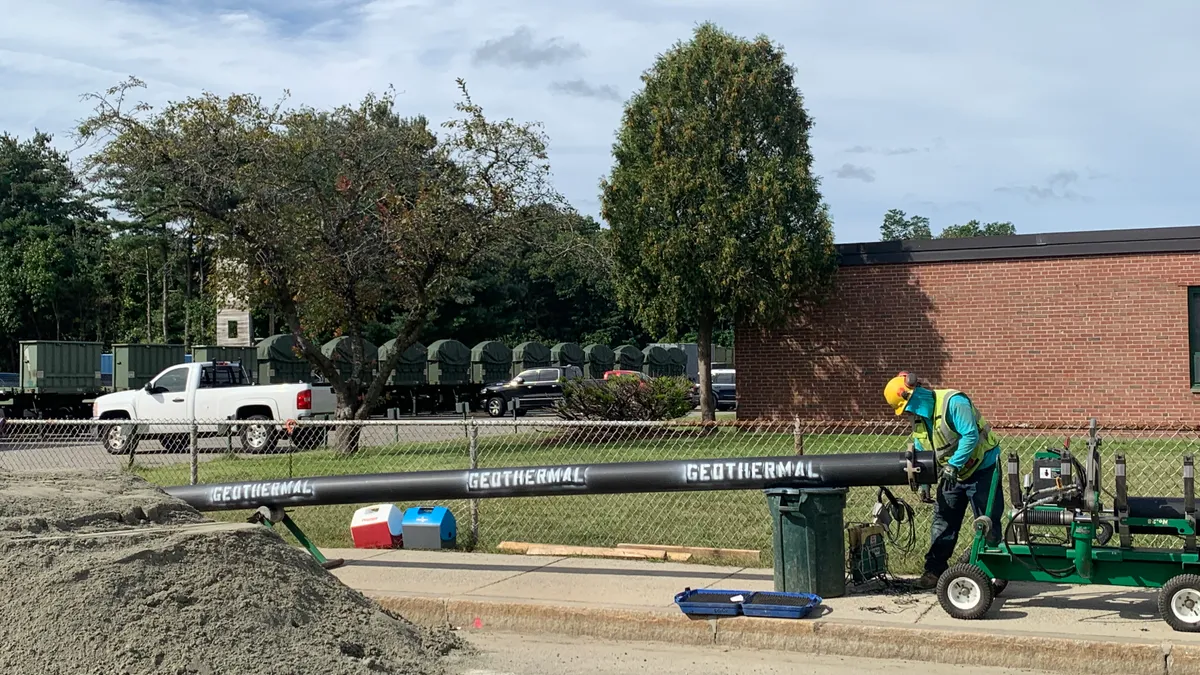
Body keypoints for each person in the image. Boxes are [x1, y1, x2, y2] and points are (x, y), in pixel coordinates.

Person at [883, 371, 1004, 590]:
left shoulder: (954, 402)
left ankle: (995, 573)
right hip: (953, 472)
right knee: (943, 520)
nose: (907, 414)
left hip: (983, 467)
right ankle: (935, 570)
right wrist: (924, 482)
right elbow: (922, 450)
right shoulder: (920, 421)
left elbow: (970, 436)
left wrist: (953, 465)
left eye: (906, 408)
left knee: (987, 521)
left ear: (914, 395)